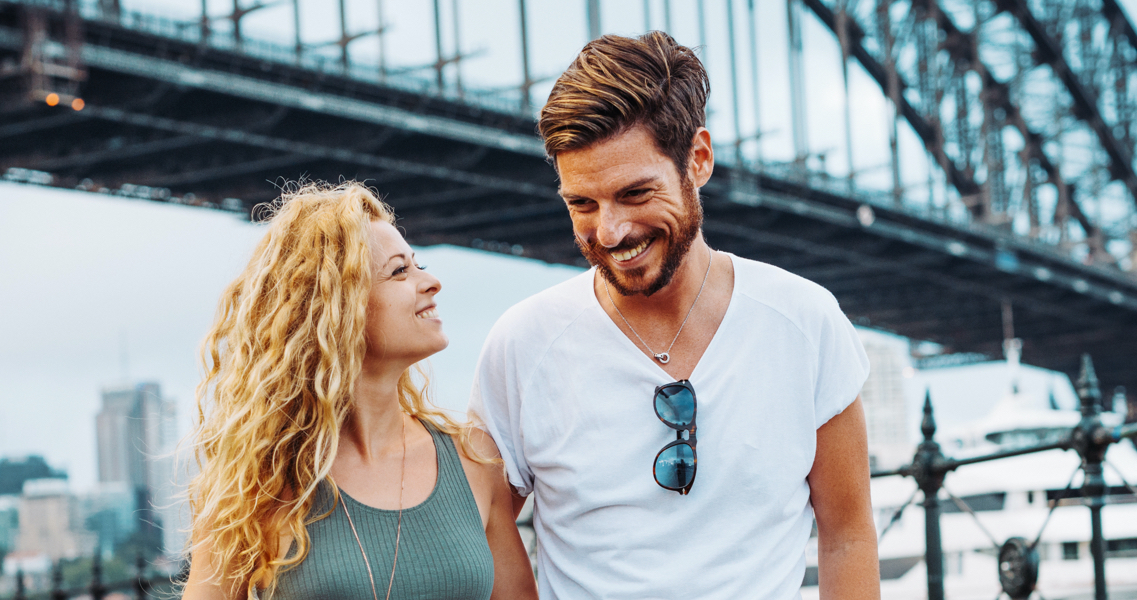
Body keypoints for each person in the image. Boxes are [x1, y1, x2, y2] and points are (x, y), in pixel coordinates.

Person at [468, 32, 880, 599]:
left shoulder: (806, 321)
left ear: (699, 159)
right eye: (582, 204)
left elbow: (847, 534)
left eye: (635, 193)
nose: (610, 232)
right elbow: (486, 525)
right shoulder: (522, 343)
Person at [181, 182, 537, 600]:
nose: (432, 282)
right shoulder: (259, 483)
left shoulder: (474, 460)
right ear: (336, 306)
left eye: (418, 264)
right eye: (400, 271)